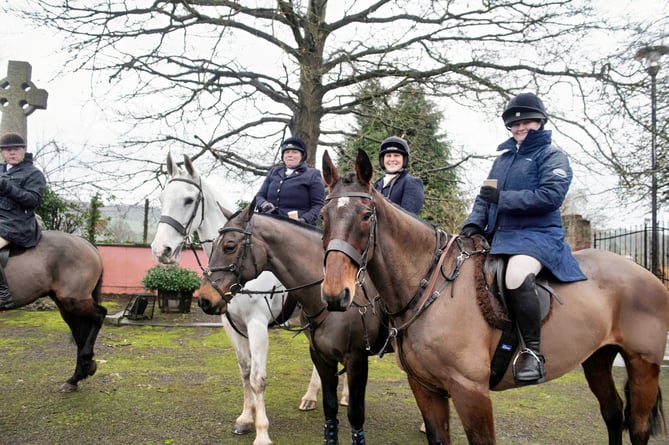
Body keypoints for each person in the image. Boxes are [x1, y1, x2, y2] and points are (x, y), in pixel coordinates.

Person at [460, 92, 586, 386]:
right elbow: (484, 198)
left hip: (537, 237)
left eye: (527, 122)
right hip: (500, 238)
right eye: (515, 124)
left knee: (516, 276)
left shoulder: (552, 156)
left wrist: (503, 198)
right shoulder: (502, 161)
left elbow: (550, 196)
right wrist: (472, 226)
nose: (520, 128)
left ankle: (532, 351)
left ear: (540, 122)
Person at [0, 132, 46, 309]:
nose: (11, 153)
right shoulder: (1, 170)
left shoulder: (34, 174)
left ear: (23, 151)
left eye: (15, 149)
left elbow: (32, 201)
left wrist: (6, 186)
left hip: (16, 224)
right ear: (3, 153)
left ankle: (3, 295)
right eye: (7, 150)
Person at [255, 136, 325, 225]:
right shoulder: (274, 172)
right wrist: (264, 204)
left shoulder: (312, 174)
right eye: (287, 152)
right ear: (283, 156)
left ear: (302, 156)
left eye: (294, 152)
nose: (290, 155)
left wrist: (304, 220)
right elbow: (259, 196)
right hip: (269, 223)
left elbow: (318, 205)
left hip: (297, 227)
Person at [373, 136, 424, 215]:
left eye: (396, 155)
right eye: (388, 156)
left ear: (404, 159)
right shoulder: (376, 185)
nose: (392, 159)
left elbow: (408, 217)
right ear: (383, 160)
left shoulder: (412, 183)